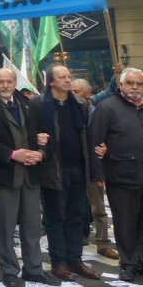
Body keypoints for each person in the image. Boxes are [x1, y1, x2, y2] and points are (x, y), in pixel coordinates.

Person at [0, 68, 59, 287]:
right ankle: (10, 270)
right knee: (5, 227)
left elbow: (44, 135)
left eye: (9, 81)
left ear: (14, 82)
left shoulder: (29, 104)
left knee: (32, 226)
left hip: (31, 174)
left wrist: (40, 153)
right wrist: (11, 154)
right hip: (5, 175)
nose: (5, 85)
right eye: (0, 81)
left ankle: (34, 269)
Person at [32, 64, 100, 281]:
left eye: (69, 76)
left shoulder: (80, 104)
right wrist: (36, 142)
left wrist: (95, 170)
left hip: (78, 169)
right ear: (51, 82)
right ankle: (59, 262)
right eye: (62, 77)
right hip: (53, 170)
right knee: (56, 218)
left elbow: (89, 138)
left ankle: (75, 260)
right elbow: (29, 133)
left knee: (76, 217)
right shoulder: (38, 104)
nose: (67, 80)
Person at [90, 67, 143, 282]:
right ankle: (129, 263)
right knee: (125, 223)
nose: (134, 87)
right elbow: (94, 142)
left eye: (138, 84)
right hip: (121, 175)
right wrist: (98, 172)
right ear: (121, 85)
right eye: (130, 83)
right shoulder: (106, 108)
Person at [70, 78, 120, 260]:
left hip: (93, 165)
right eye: (71, 90)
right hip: (73, 165)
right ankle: (76, 240)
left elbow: (112, 133)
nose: (72, 94)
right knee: (74, 207)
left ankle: (103, 243)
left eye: (76, 91)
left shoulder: (99, 110)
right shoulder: (65, 109)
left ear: (87, 94)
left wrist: (106, 146)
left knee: (98, 207)